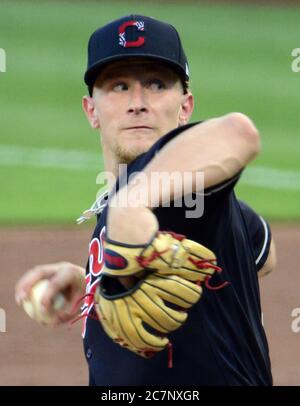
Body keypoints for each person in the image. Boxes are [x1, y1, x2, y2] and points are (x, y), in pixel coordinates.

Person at [15, 14, 277, 386]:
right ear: (92, 111)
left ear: (185, 107)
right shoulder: (139, 200)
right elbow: (262, 254)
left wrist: (129, 206)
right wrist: (98, 281)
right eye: (119, 87)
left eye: (156, 84)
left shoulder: (182, 190)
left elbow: (239, 133)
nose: (138, 103)